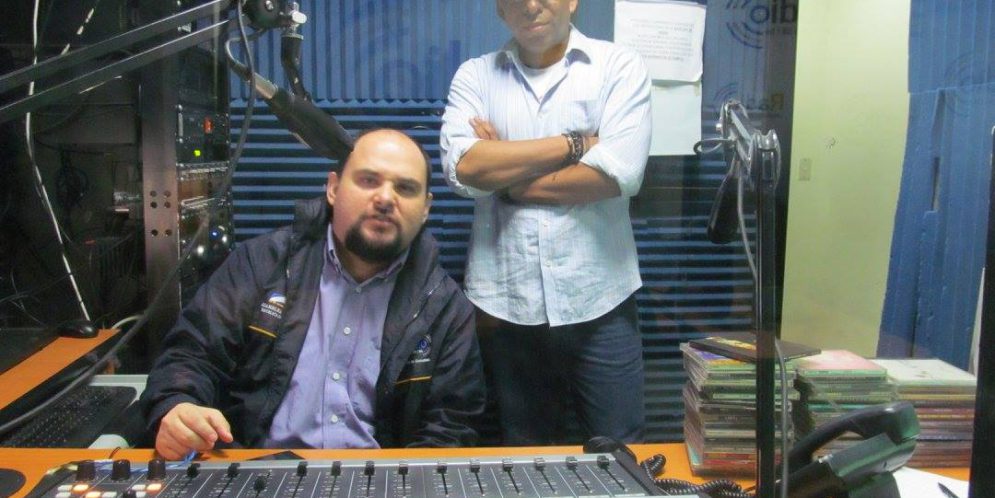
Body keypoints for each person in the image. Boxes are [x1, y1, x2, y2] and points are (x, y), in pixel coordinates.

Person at [140, 129, 485, 458]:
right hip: (257, 472)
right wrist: (178, 404)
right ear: (333, 188)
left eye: (405, 188)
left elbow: (452, 426)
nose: (384, 198)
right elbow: (193, 354)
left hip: (381, 481)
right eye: (368, 180)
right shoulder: (263, 264)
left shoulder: (444, 307)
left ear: (425, 209)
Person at [440, 0, 652, 444]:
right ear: (500, 10)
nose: (531, 6)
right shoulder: (475, 77)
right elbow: (465, 169)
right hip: (507, 305)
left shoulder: (618, 67)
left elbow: (618, 174)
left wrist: (508, 180)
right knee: (526, 451)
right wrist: (577, 144)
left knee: (621, 450)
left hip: (601, 299)